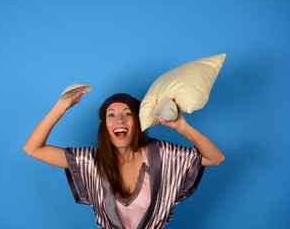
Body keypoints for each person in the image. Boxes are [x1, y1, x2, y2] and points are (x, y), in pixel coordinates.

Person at [23, 90, 225, 229]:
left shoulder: (162, 154)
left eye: (127, 114)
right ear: (105, 126)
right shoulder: (91, 161)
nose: (119, 120)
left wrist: (183, 128)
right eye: (111, 115)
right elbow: (33, 148)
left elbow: (216, 158)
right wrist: (62, 106)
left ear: (137, 123)